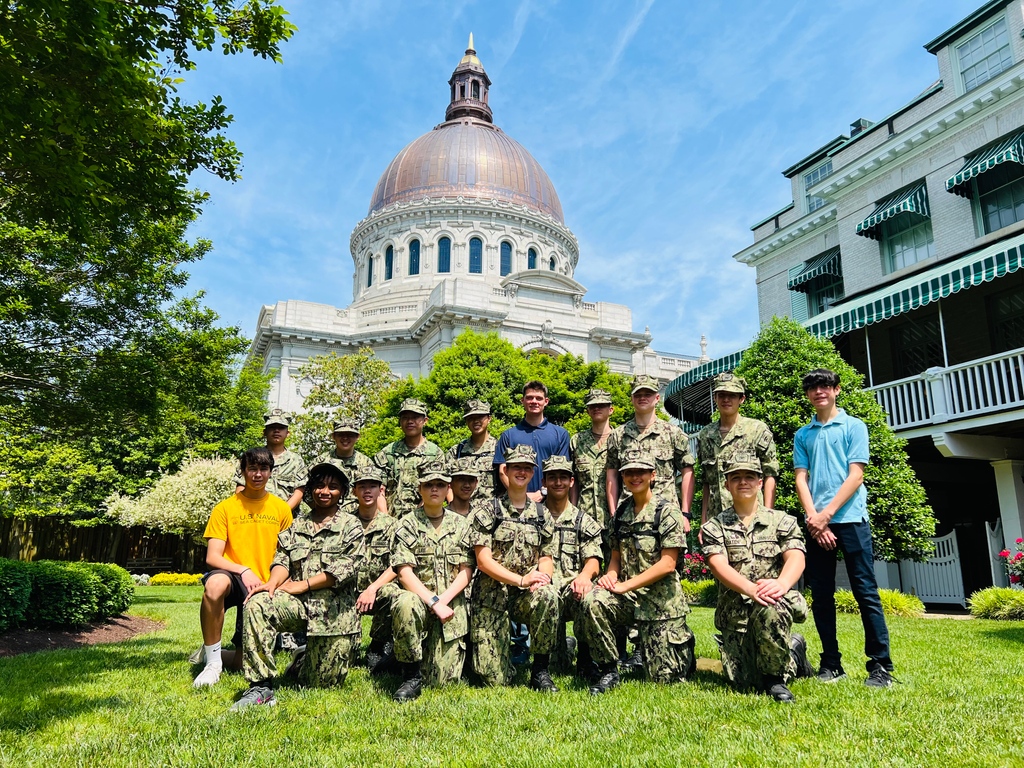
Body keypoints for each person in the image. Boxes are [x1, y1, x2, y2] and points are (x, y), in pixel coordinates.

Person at [230, 462, 365, 710]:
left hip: (333, 614)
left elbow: (342, 571)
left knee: (321, 683)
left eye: (333, 487)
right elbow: (282, 560)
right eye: (320, 486)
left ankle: (302, 658)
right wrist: (271, 584)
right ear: (311, 489)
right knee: (258, 603)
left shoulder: (352, 526)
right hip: (298, 606)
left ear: (342, 493)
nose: (325, 491)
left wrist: (302, 585)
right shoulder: (297, 525)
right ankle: (260, 686)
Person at [795, 368, 896, 687]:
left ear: (836, 390)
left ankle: (880, 666)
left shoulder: (854, 426)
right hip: (817, 524)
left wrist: (826, 515)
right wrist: (814, 518)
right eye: (812, 388)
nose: (818, 392)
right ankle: (831, 663)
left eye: (824, 386)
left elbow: (856, 475)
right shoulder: (803, 434)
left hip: (851, 519)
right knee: (822, 595)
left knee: (865, 592)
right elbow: (801, 477)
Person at [700, 454, 813, 703]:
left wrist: (781, 584)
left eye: (749, 477)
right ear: (727, 484)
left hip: (772, 605)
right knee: (743, 680)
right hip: (736, 618)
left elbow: (796, 557)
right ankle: (794, 649)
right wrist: (751, 589)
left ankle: (776, 681)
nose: (743, 482)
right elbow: (718, 564)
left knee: (770, 609)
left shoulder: (782, 521)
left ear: (760, 482)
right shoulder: (714, 527)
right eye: (736, 478)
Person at [581, 449, 694, 695]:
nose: (635, 477)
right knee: (594, 601)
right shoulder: (620, 513)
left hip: (660, 602)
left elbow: (668, 564)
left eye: (640, 472)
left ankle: (683, 642)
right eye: (629, 472)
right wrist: (611, 575)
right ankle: (609, 669)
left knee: (663, 679)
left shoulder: (667, 512)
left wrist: (624, 585)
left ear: (652, 475)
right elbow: (615, 557)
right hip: (629, 598)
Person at [193, 446, 293, 688]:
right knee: (215, 584)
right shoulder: (225, 508)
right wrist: (243, 569)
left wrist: (275, 582)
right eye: (252, 468)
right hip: (234, 577)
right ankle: (213, 664)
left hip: (265, 582)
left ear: (271, 472)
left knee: (241, 662)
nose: (257, 474)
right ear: (243, 471)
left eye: (263, 469)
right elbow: (213, 557)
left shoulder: (281, 509)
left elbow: (287, 555)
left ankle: (208, 653)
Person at [470, 444, 560, 691]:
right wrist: (520, 580)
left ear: (533, 473)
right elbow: (483, 560)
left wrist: (542, 579)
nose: (521, 472)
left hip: (525, 594)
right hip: (492, 595)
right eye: (516, 467)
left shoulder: (542, 514)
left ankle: (540, 670)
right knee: (493, 680)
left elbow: (547, 556)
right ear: (506, 470)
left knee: (549, 596)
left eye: (526, 468)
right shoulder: (488, 510)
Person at [389, 461, 474, 701]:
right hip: (419, 600)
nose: (434, 489)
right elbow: (404, 572)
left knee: (441, 682)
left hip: (450, 604)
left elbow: (466, 570)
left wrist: (443, 601)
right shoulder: (406, 524)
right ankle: (410, 676)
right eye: (428, 485)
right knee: (405, 603)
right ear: (420, 489)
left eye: (439, 484)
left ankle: (399, 658)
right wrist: (433, 601)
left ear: (448, 489)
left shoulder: (461, 525)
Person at [606, 374, 694, 533]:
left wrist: (685, 513)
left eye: (648, 394)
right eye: (638, 395)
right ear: (632, 399)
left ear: (657, 397)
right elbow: (611, 475)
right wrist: (613, 513)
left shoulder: (673, 433)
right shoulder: (618, 435)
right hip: (628, 516)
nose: (642, 398)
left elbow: (687, 471)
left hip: (667, 515)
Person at [542, 455, 603, 680]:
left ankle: (586, 659)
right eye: (552, 477)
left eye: (563, 477)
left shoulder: (583, 520)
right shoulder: (533, 517)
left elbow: (594, 559)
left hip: (572, 589)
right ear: (544, 482)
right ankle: (558, 652)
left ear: (571, 482)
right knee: (556, 665)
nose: (558, 482)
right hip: (542, 590)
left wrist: (585, 577)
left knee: (589, 597)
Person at [696, 373, 779, 527]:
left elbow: (770, 474)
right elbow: (707, 482)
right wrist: (704, 522)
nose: (726, 399)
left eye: (732, 395)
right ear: (715, 398)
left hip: (751, 518)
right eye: (722, 395)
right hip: (717, 521)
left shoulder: (756, 430)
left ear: (742, 399)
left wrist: (768, 516)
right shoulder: (705, 435)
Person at [351, 465, 400, 673]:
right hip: (348, 592)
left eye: (372, 486)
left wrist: (372, 588)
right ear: (354, 491)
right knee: (345, 657)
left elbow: (397, 564)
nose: (367, 491)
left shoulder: (393, 525)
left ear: (381, 491)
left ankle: (379, 644)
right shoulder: (344, 522)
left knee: (393, 593)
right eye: (362, 486)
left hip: (378, 591)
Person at [494, 381, 570, 503]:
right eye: (529, 398)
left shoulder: (560, 434)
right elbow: (503, 471)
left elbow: (561, 471)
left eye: (539, 398)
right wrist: (523, 495)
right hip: (515, 503)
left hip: (550, 502)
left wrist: (542, 493)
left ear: (546, 401)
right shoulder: (508, 435)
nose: (534, 401)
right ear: (522, 401)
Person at [374, 398, 443, 517]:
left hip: (423, 521)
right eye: (405, 417)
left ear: (425, 420)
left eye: (415, 417)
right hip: (390, 521)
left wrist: (414, 521)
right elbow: (378, 490)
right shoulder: (387, 453)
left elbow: (437, 491)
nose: (410, 421)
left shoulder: (435, 454)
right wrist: (386, 521)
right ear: (400, 421)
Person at [234, 409, 307, 511]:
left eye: (281, 428)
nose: (276, 431)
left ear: (288, 433)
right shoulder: (251, 457)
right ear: (264, 432)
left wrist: (282, 512)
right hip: (253, 515)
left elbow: (299, 491)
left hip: (286, 520)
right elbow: (240, 487)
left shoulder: (296, 461)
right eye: (272, 427)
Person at [571, 388, 614, 533]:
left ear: (611, 409)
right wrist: (572, 512)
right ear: (588, 411)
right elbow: (573, 481)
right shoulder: (577, 441)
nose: (597, 408)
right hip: (584, 518)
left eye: (602, 405)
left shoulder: (621, 439)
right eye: (592, 406)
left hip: (614, 519)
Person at [315, 417, 377, 515]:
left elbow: (376, 493)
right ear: (333, 436)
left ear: (357, 437)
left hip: (358, 516)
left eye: (350, 435)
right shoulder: (321, 462)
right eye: (340, 434)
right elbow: (309, 491)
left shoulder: (366, 463)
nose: (345, 438)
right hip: (326, 515)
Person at [446, 399, 498, 499]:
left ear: (489, 418)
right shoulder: (457, 451)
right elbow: (446, 483)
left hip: (492, 510)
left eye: (480, 417)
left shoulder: (499, 448)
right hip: (463, 510)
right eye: (471, 418)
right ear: (466, 421)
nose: (475, 421)